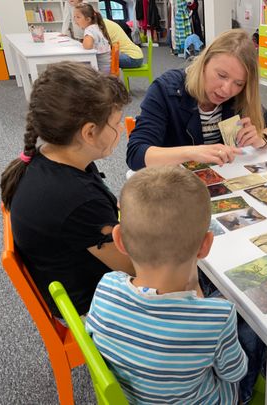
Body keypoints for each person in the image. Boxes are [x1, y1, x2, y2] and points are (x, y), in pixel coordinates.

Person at [86, 166, 254, 404]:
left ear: (119, 240)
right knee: (252, 324)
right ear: (205, 245)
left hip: (131, 398)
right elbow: (234, 373)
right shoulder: (218, 316)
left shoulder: (106, 286)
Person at [0, 61, 134, 318]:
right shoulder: (78, 199)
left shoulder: (50, 157)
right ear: (89, 132)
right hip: (93, 308)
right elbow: (134, 268)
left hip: (72, 275)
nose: (121, 129)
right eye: (117, 123)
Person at [126, 28, 267, 171]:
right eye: (221, 75)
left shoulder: (240, 95)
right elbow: (136, 154)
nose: (227, 90)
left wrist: (261, 139)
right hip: (175, 181)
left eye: (238, 83)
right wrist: (192, 153)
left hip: (221, 176)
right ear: (204, 63)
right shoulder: (166, 90)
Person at [74, 3, 112, 73]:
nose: (75, 20)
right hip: (108, 67)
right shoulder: (97, 26)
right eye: (74, 17)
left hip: (102, 71)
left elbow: (87, 46)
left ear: (88, 19)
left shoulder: (89, 30)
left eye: (78, 17)